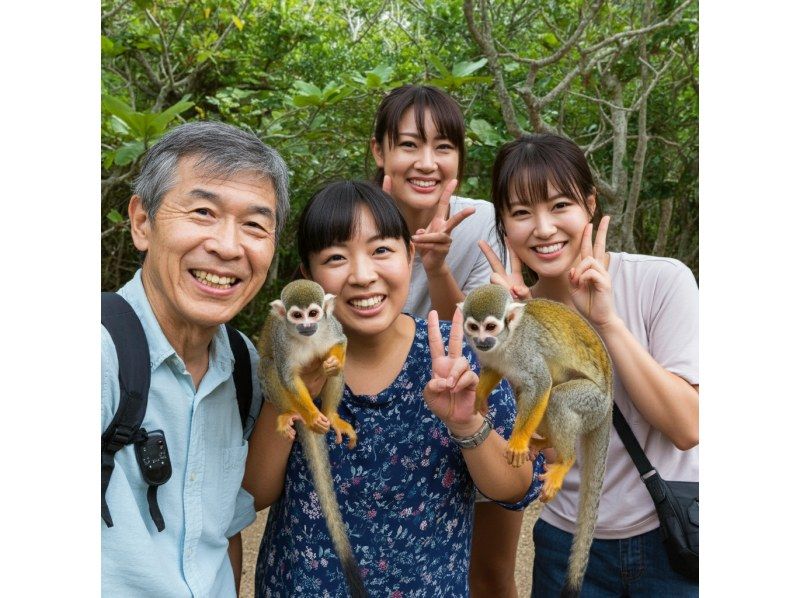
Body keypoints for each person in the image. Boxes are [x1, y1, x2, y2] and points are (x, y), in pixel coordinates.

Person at [243, 180, 545, 597]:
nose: (363, 275)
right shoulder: (292, 354)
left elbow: (514, 488)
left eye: (381, 250)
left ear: (410, 256)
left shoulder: (455, 354)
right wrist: (293, 399)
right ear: (310, 278)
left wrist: (467, 423)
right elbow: (255, 494)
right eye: (335, 257)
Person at [482, 133, 699, 597]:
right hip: (566, 538)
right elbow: (541, 446)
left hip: (669, 533)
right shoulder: (508, 318)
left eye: (560, 205)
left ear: (590, 206)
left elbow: (687, 427)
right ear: (503, 226)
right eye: (521, 213)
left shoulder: (661, 280)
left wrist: (606, 320)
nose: (542, 228)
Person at [101, 121, 290, 597]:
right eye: (203, 211)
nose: (228, 246)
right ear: (142, 222)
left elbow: (218, 532)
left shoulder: (244, 367)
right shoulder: (97, 352)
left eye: (254, 225)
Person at [370, 83, 522, 596]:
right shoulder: (355, 221)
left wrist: (435, 267)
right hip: (386, 413)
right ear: (379, 151)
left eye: (443, 147)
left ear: (459, 156)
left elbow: (477, 340)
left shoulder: (480, 221)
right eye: (409, 145)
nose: (426, 162)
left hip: (469, 399)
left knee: (491, 572)